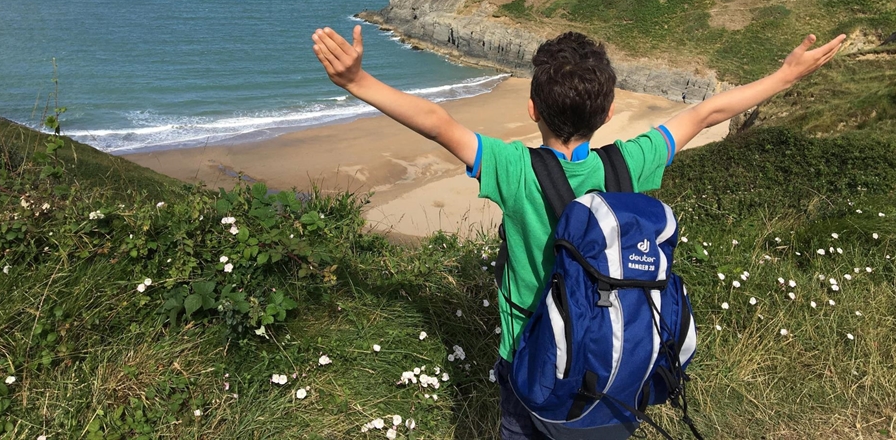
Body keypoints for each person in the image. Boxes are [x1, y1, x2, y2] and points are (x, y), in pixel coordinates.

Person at [312, 25, 846, 440]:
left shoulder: (513, 170)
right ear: (608, 112)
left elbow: (437, 121)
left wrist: (357, 81)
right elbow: (707, 113)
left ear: (531, 109)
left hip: (530, 356)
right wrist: (785, 76)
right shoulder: (631, 161)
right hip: (612, 356)